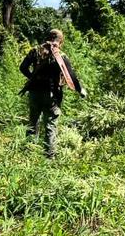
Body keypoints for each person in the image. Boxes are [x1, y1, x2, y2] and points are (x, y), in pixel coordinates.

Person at [20, 29, 86, 157]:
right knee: (50, 125)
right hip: (51, 95)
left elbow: (22, 67)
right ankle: (49, 157)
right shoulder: (60, 56)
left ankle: (29, 154)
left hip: (34, 92)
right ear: (60, 41)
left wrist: (33, 77)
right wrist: (80, 90)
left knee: (33, 122)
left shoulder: (35, 51)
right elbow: (71, 76)